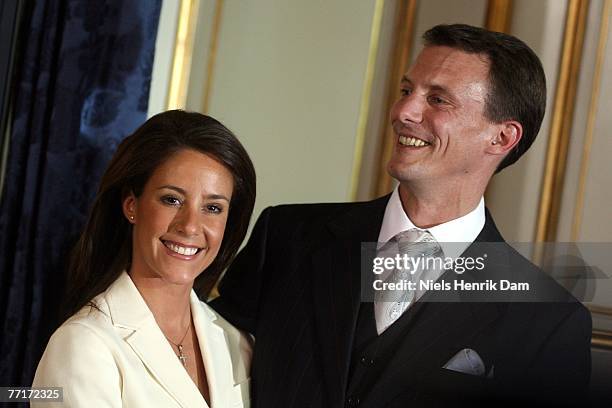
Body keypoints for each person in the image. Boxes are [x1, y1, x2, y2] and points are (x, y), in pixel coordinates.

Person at [211, 24, 591, 406]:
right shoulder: (286, 236)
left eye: (438, 99)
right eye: (408, 91)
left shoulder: (548, 320)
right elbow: (198, 365)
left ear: (502, 138)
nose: (404, 111)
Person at [32, 110, 256, 407]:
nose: (190, 226)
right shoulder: (84, 345)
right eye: (171, 200)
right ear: (131, 205)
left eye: (213, 208)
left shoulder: (237, 343)